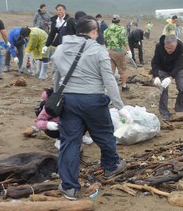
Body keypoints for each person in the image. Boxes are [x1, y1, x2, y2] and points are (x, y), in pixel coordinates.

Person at [51, 18, 132, 200]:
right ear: (94, 31)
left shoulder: (61, 48)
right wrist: (120, 106)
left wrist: (57, 98)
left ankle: (69, 187)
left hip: (68, 101)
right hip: (94, 100)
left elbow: (56, 76)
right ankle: (111, 166)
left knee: (70, 141)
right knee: (104, 135)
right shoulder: (98, 50)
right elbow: (109, 80)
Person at [151, 34, 183, 120]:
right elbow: (155, 62)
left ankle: (179, 108)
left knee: (182, 88)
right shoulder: (159, 46)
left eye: (171, 48)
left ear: (176, 45)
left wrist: (171, 77)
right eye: (167, 48)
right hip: (163, 68)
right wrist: (156, 76)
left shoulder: (181, 46)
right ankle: (164, 111)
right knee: (163, 88)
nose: (168, 50)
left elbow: (179, 64)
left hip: (177, 69)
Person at [104, 14, 132, 91]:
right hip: (119, 51)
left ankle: (109, 88)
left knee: (111, 71)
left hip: (109, 51)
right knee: (122, 70)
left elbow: (105, 41)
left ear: (112, 20)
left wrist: (108, 48)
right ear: (119, 20)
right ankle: (124, 86)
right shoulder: (121, 29)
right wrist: (129, 50)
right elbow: (124, 41)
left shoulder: (107, 30)